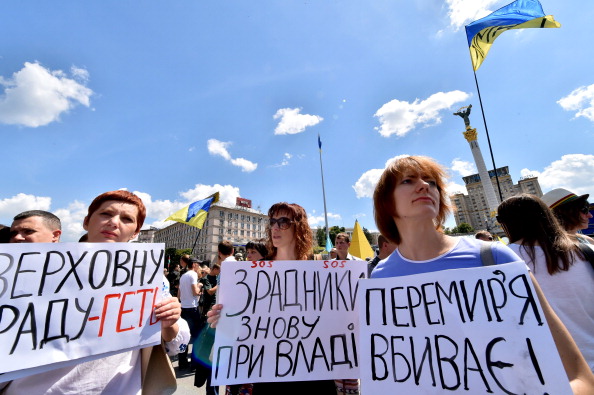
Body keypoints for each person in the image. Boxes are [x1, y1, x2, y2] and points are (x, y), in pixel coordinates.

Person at [370, 155, 594, 393]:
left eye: (431, 181)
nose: (425, 185)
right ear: (387, 202)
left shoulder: (493, 256)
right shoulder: (381, 276)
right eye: (408, 180)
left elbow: (579, 376)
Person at [0, 190, 189, 394]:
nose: (114, 222)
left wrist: (169, 322)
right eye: (106, 214)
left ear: (135, 232)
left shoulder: (149, 277)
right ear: (86, 221)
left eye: (126, 219)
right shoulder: (28, 271)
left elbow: (175, 342)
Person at [209, 202, 359, 395]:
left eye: (283, 222)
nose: (275, 227)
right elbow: (239, 324)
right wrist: (220, 320)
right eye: (272, 222)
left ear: (299, 227)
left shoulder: (322, 268)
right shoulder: (255, 272)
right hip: (268, 374)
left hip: (315, 374)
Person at [497, 194, 594, 371]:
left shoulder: (501, 260)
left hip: (551, 371)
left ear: (505, 224)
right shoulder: (585, 249)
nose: (589, 215)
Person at [178, 257, 203, 370]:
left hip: (183, 307)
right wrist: (200, 286)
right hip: (192, 308)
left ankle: (182, 362)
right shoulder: (193, 275)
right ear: (193, 264)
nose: (199, 266)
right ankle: (194, 363)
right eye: (198, 264)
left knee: (185, 336)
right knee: (197, 336)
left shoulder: (183, 275)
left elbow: (179, 293)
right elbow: (195, 292)